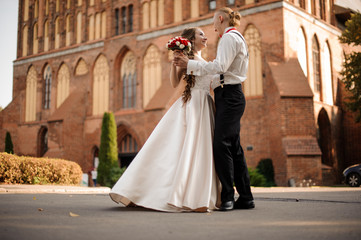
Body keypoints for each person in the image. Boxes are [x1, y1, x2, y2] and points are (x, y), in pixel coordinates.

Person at [109, 27, 220, 212]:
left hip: (205, 105)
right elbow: (175, 83)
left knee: (198, 151)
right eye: (201, 34)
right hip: (194, 105)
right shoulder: (187, 59)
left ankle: (195, 192)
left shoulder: (203, 61)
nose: (205, 36)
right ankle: (177, 193)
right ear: (192, 40)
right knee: (184, 149)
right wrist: (174, 63)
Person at [174, 7, 254, 211]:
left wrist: (190, 64)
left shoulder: (228, 38)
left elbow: (220, 67)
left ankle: (227, 196)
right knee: (233, 147)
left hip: (229, 95)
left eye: (213, 23)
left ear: (220, 19)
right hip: (227, 95)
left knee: (221, 144)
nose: (213, 29)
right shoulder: (234, 37)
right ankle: (245, 197)